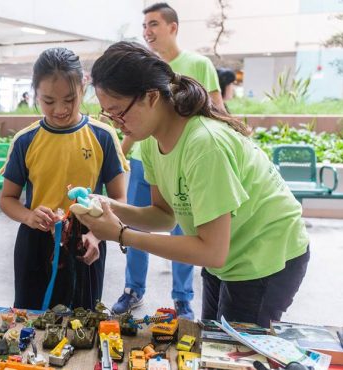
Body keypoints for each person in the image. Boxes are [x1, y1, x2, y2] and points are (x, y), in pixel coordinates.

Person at [80, 41, 309, 327]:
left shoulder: (204, 145)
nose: (116, 123)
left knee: (232, 352)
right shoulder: (152, 139)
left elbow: (212, 251)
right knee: (211, 339)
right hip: (225, 254)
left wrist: (122, 235)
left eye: (119, 112)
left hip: (266, 254)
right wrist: (107, 205)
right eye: (108, 115)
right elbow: (164, 216)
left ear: (151, 97)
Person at [111, 2, 226, 318]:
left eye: (154, 24)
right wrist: (120, 152)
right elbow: (137, 121)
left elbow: (218, 111)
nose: (147, 31)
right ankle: (133, 289)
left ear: (173, 27)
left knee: (186, 229)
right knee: (142, 218)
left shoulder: (198, 64)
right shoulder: (142, 73)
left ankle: (182, 297)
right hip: (145, 158)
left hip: (187, 159)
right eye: (144, 26)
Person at [0, 47, 128, 310]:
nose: (60, 109)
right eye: (48, 100)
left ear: (83, 86)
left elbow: (119, 199)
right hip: (36, 239)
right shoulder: (26, 140)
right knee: (30, 318)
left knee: (83, 321)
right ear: (35, 93)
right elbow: (7, 199)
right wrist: (28, 216)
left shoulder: (102, 136)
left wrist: (97, 235)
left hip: (86, 242)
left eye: (69, 99)